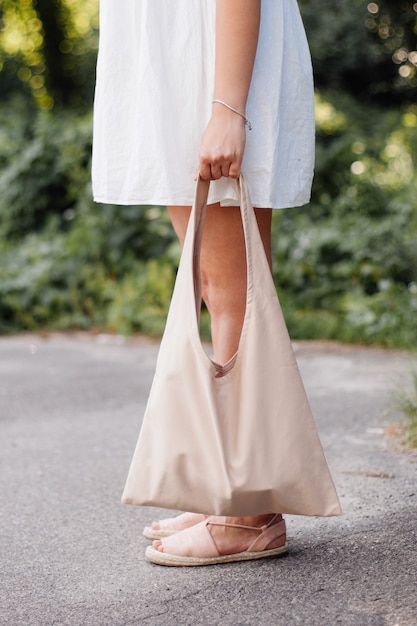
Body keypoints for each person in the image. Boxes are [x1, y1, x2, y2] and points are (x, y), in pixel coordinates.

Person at [93, 0, 336, 566]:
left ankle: (248, 513)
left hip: (213, 67)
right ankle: (227, 491)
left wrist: (227, 107)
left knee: (234, 294)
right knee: (212, 283)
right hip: (182, 70)